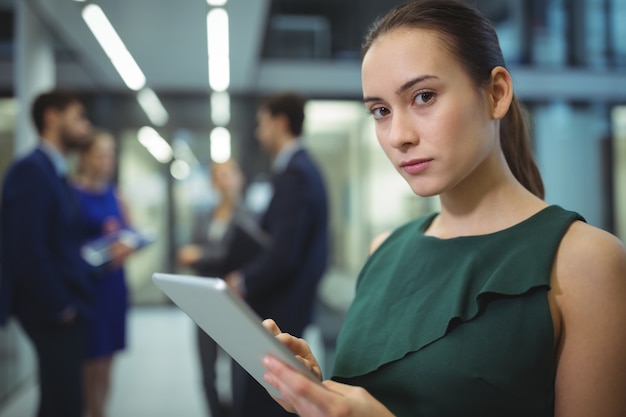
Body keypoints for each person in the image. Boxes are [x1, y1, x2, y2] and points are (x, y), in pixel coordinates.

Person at [259, 1, 626, 416]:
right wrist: (320, 392)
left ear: (497, 94)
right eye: (380, 111)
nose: (398, 135)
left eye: (424, 96)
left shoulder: (585, 262)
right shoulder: (384, 252)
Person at [225, 92, 330, 417]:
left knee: (269, 401)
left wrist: (242, 280)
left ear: (280, 122)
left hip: (284, 305)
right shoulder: (297, 169)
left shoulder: (296, 172)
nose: (259, 132)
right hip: (286, 300)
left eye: (262, 123)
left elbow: (285, 253)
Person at [0, 90, 94, 417]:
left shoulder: (54, 171)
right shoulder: (32, 170)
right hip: (50, 310)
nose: (86, 126)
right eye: (79, 116)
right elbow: (27, 249)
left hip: (63, 304)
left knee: (62, 400)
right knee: (63, 404)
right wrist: (61, 306)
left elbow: (60, 244)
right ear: (52, 117)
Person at [177, 158, 268, 417]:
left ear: (240, 179)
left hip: (236, 300)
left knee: (239, 371)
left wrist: (202, 254)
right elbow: (187, 254)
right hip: (204, 300)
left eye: (230, 174)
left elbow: (237, 253)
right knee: (207, 371)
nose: (225, 180)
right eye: (219, 175)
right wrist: (203, 255)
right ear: (213, 182)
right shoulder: (204, 215)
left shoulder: (252, 215)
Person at [71, 128, 136, 417]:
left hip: (113, 285)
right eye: (100, 154)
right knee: (88, 358)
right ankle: (90, 410)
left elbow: (130, 230)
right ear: (84, 157)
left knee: (108, 357)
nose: (107, 160)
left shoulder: (115, 193)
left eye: (111, 154)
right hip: (88, 287)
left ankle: (101, 411)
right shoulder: (71, 194)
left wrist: (128, 245)